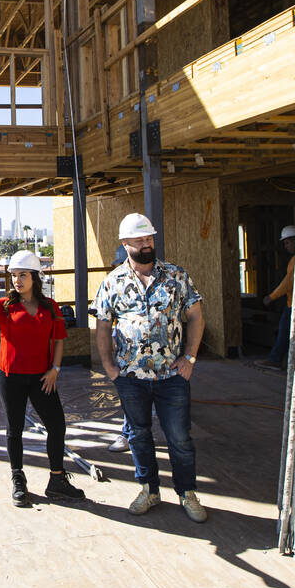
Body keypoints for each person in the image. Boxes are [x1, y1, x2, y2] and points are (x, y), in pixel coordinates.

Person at [94, 213, 208, 522]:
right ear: (125, 243)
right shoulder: (112, 282)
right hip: (131, 377)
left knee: (179, 437)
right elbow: (102, 325)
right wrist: (109, 366)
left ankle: (187, 492)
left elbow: (196, 316)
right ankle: (149, 489)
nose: (147, 244)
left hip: (172, 375)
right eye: (140, 240)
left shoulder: (176, 276)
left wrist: (190, 358)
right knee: (139, 435)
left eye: (150, 239)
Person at [0, 250, 85, 506]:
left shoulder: (50, 306)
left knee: (57, 426)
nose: (17, 280)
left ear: (34, 277)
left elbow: (58, 340)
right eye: (14, 275)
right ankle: (18, 478)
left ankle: (57, 480)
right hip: (10, 378)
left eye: (22, 275)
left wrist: (55, 369)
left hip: (42, 377)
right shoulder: (6, 305)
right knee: (15, 429)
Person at [107, 242, 131, 453]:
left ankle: (128, 433)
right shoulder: (115, 285)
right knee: (130, 396)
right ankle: (128, 432)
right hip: (126, 355)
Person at [263, 225, 295, 369]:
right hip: (294, 303)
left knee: (284, 331)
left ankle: (276, 359)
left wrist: (272, 297)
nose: (286, 246)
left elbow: (288, 282)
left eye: (288, 242)